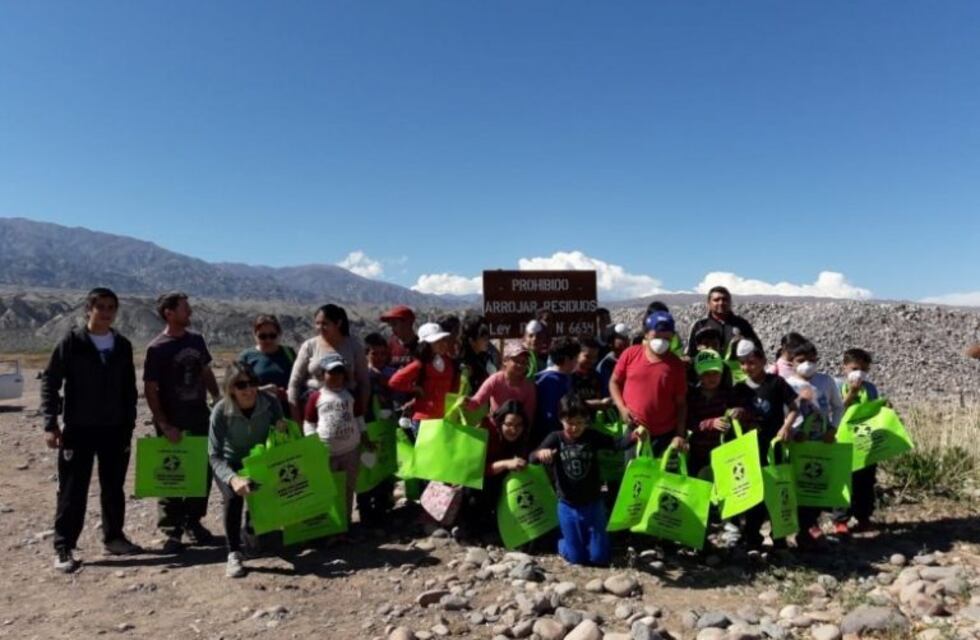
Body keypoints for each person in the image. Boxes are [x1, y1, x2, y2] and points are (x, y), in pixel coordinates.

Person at [41, 287, 140, 573]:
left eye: (112, 307)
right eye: (102, 307)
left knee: (113, 487)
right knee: (73, 489)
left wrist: (129, 422)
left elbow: (128, 388)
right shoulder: (72, 342)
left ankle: (114, 537)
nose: (107, 313)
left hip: (115, 429)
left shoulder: (122, 345)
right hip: (79, 429)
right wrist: (50, 423)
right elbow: (50, 381)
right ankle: (64, 546)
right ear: (89, 309)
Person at [531, 395, 648, 566]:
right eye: (570, 423)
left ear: (586, 420)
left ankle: (589, 542)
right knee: (577, 559)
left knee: (600, 558)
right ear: (561, 420)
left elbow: (617, 444)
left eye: (579, 422)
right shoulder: (555, 438)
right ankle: (561, 543)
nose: (575, 427)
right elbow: (531, 458)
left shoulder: (591, 436)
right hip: (567, 505)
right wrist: (540, 454)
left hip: (593, 504)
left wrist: (634, 437)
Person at [144, 292, 220, 553]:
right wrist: (163, 423)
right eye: (185, 308)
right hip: (172, 419)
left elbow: (205, 371)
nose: (190, 312)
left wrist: (217, 398)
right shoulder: (157, 348)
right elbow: (151, 389)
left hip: (199, 415)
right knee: (172, 473)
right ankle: (172, 530)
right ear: (169, 313)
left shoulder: (196, 341)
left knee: (203, 471)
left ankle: (193, 522)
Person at [209, 362, 284, 578]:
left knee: (260, 495)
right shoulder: (221, 411)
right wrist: (232, 478)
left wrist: (282, 426)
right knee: (233, 498)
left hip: (258, 460)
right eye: (241, 385)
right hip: (229, 461)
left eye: (252, 383)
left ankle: (251, 530)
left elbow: (280, 428)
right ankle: (234, 553)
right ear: (231, 387)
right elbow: (213, 454)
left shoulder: (269, 403)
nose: (249, 389)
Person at [731, 342, 800, 549]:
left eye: (751, 362)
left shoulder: (776, 383)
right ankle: (752, 539)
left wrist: (787, 426)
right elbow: (730, 413)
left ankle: (779, 538)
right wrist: (735, 414)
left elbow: (795, 407)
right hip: (751, 450)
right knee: (753, 495)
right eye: (742, 363)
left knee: (777, 493)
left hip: (774, 448)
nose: (747, 367)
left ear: (762, 361)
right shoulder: (739, 389)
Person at [303, 354, 372, 522]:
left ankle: (345, 524)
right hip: (327, 453)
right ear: (322, 375)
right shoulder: (316, 397)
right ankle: (331, 527)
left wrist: (365, 439)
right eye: (331, 373)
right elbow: (309, 422)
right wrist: (313, 444)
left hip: (350, 450)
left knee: (348, 489)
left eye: (340, 372)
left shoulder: (350, 395)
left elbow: (358, 418)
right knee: (329, 489)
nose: (336, 377)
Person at [609, 311, 688, 456]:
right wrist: (622, 408)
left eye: (666, 338)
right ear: (646, 334)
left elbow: (681, 404)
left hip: (665, 436)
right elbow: (614, 382)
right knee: (634, 475)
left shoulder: (676, 365)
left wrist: (679, 435)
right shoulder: (630, 354)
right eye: (656, 336)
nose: (661, 342)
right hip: (635, 432)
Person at [458, 400, 533, 540]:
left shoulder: (523, 438)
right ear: (500, 422)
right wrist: (505, 464)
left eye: (518, 425)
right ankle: (470, 526)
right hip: (476, 484)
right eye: (509, 424)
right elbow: (476, 471)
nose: (514, 430)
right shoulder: (486, 431)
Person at [287, 304, 370, 423]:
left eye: (325, 323)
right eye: (317, 323)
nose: (320, 327)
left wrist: (362, 412)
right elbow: (294, 383)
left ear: (338, 323)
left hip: (346, 406)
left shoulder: (354, 347)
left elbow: (364, 382)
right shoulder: (309, 346)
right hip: (314, 406)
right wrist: (297, 419)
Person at [831, 348, 881, 535]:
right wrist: (851, 393)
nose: (859, 372)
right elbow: (835, 411)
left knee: (865, 481)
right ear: (844, 367)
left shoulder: (871, 388)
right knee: (843, 481)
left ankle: (864, 517)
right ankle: (840, 520)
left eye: (864, 369)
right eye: (854, 368)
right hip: (842, 442)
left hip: (865, 441)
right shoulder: (836, 386)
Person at [388, 322, 458, 435]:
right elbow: (394, 381)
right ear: (426, 345)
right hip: (424, 421)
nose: (442, 344)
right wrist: (414, 389)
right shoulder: (420, 365)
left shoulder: (449, 362)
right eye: (436, 342)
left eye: (442, 340)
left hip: (444, 419)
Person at [358, 332, 398, 525]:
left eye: (383, 353)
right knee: (366, 466)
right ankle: (365, 510)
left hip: (387, 425)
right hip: (367, 425)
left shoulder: (392, 373)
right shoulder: (361, 376)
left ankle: (383, 507)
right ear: (366, 354)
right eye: (375, 354)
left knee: (384, 464)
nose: (380, 357)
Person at [686, 350, 743, 477]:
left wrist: (738, 411)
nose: (712, 378)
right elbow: (689, 422)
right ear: (698, 375)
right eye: (706, 374)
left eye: (715, 373)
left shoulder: (727, 395)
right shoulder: (693, 397)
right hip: (699, 454)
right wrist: (710, 423)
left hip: (724, 450)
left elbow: (742, 411)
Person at [466, 341, 537, 428]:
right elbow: (477, 401)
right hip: (495, 429)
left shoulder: (528, 386)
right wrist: (466, 403)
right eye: (517, 361)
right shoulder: (495, 380)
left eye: (524, 362)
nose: (520, 365)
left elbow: (528, 415)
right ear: (505, 361)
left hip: (517, 432)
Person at [686, 286, 763, 361]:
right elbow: (691, 354)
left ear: (730, 302)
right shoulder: (700, 326)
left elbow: (757, 350)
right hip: (709, 372)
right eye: (716, 300)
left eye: (725, 299)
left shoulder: (742, 324)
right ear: (709, 303)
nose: (721, 303)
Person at [237, 314, 296, 413]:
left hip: (288, 413)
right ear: (255, 335)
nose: (268, 340)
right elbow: (235, 389)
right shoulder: (246, 357)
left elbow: (301, 382)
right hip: (258, 415)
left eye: (272, 336)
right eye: (262, 336)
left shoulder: (289, 353)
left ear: (279, 334)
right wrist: (260, 390)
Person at [533, 338, 581, 446]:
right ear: (566, 359)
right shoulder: (550, 380)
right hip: (549, 437)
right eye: (575, 358)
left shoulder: (566, 376)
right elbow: (550, 416)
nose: (577, 362)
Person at [571, 337, 610, 413]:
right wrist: (592, 404)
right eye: (587, 357)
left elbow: (600, 398)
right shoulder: (569, 376)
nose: (592, 361)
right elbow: (568, 403)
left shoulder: (596, 376)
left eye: (594, 357)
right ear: (577, 354)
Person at [459, 317, 496, 391]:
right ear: (472, 341)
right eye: (483, 338)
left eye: (487, 338)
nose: (487, 341)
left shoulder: (486, 358)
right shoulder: (464, 365)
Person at [596, 323, 630, 397]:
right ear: (611, 342)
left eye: (626, 337)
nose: (626, 340)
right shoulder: (605, 365)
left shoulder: (633, 360)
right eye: (621, 338)